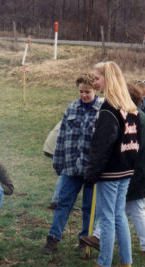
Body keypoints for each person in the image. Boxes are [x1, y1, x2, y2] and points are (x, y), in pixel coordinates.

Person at [80, 83, 145, 257]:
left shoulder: (136, 117)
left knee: (126, 206)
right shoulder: (135, 115)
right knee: (127, 206)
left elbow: (131, 147)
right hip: (138, 168)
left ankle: (102, 237)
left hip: (137, 169)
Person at [84, 61, 140, 267]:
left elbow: (101, 146)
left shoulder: (108, 109)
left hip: (111, 172)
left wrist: (91, 174)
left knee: (107, 217)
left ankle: (103, 266)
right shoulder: (130, 107)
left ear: (108, 78)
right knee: (118, 216)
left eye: (97, 78)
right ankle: (126, 265)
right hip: (126, 170)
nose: (94, 82)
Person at [42, 73, 103, 254]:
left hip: (92, 169)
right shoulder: (71, 108)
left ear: (95, 90)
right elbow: (61, 138)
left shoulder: (104, 109)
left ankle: (85, 240)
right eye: (81, 91)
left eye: (87, 92)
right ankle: (53, 239)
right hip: (70, 167)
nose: (83, 95)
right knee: (63, 203)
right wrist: (58, 162)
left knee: (88, 207)